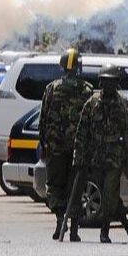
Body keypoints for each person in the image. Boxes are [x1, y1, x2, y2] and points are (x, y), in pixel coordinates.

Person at [73, 64, 128, 244]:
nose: (108, 85)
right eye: (105, 82)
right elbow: (81, 133)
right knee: (109, 195)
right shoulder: (91, 104)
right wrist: (78, 158)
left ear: (116, 83)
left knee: (110, 192)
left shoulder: (125, 106)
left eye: (112, 82)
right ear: (100, 82)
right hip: (96, 157)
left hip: (115, 158)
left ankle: (105, 231)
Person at [39, 48, 93, 242]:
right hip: (78, 149)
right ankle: (74, 230)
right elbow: (91, 122)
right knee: (76, 188)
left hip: (56, 148)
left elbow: (43, 119)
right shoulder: (86, 89)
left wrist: (44, 143)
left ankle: (60, 221)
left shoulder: (52, 88)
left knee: (55, 187)